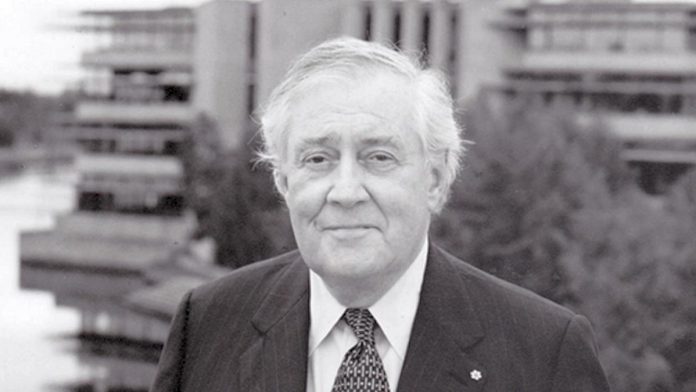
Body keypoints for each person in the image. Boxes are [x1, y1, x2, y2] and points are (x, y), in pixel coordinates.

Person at [151, 37, 610, 392]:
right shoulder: (207, 324)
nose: (345, 192)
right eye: (318, 159)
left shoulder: (544, 353)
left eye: (379, 158)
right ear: (284, 183)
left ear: (435, 180)